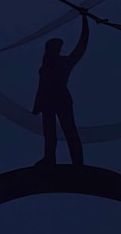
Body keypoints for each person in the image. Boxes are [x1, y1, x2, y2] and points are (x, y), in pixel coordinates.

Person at [33, 14, 90, 166]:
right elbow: (41, 85)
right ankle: (50, 159)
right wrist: (37, 106)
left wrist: (86, 22)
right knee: (50, 133)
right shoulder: (45, 66)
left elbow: (80, 48)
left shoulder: (63, 62)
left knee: (69, 130)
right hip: (47, 101)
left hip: (60, 98)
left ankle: (77, 162)